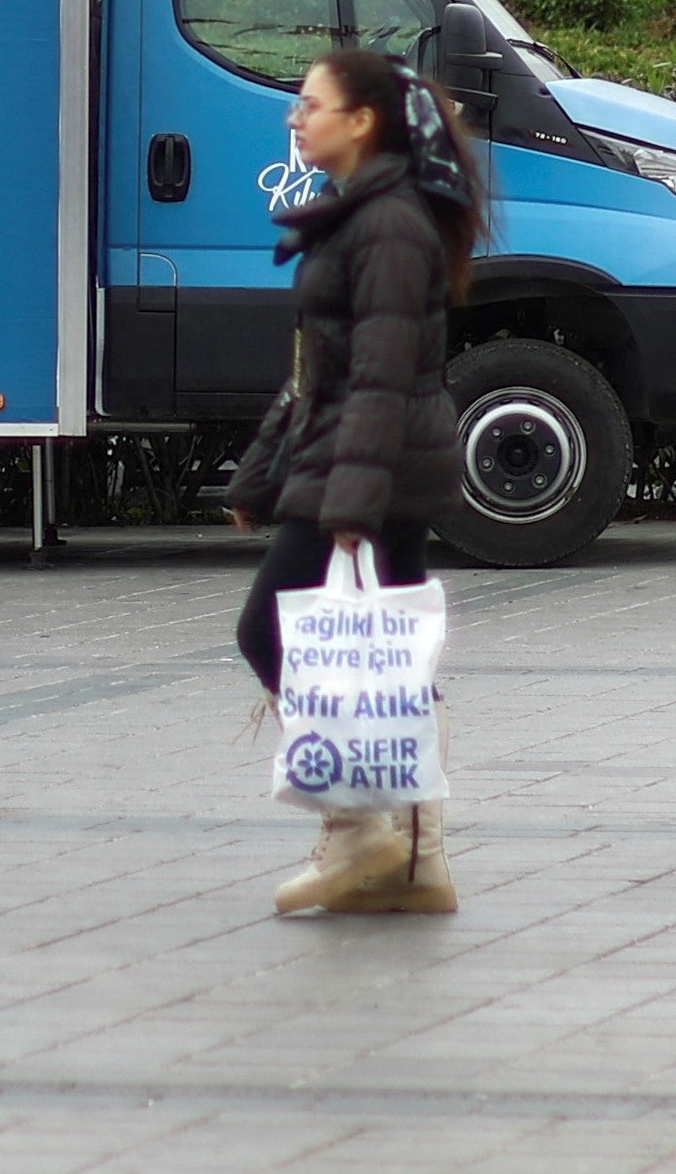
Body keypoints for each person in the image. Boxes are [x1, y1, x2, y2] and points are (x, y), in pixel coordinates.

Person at [224, 45, 477, 917]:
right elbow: (316, 372)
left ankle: (364, 830)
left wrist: (350, 507)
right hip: (358, 462)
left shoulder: (389, 226)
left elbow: (380, 373)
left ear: (362, 121)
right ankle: (413, 860)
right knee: (387, 664)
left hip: (372, 470)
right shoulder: (361, 216)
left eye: (311, 104)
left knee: (268, 629)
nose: (296, 119)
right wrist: (262, 476)